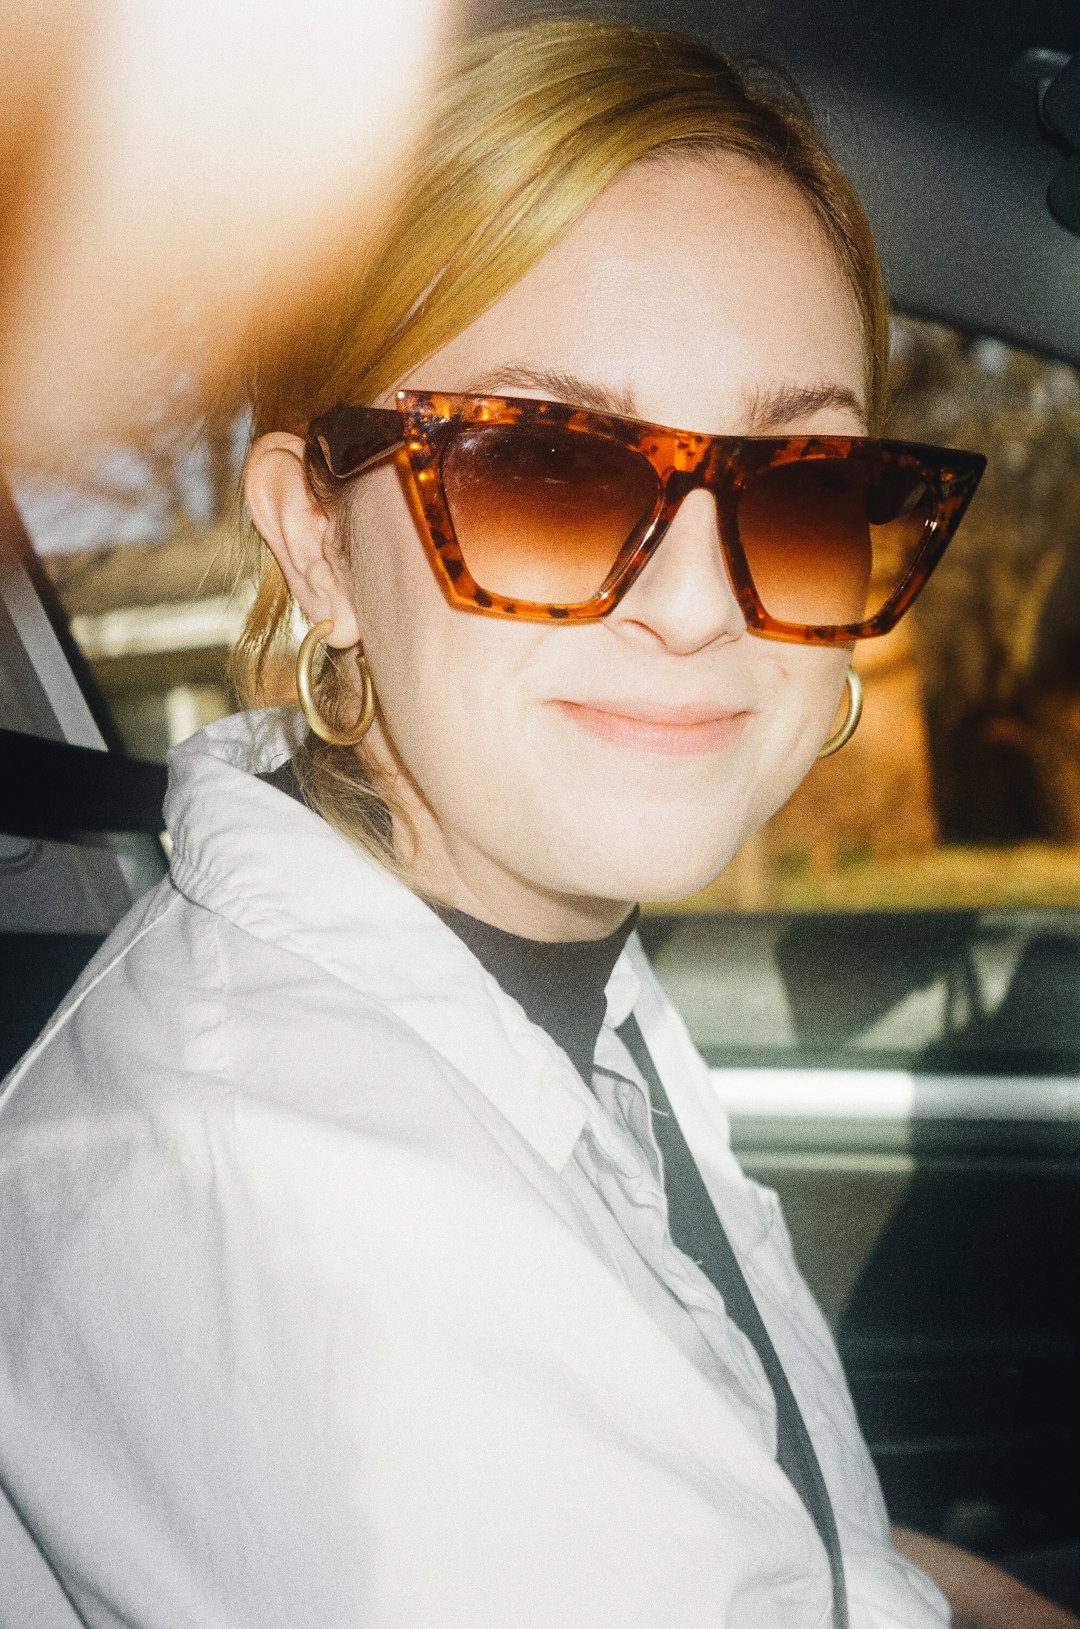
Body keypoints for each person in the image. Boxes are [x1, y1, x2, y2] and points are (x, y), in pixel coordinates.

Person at [4, 16, 1067, 1629]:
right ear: (318, 545)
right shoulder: (296, 1213)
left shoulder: (521, 966)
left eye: (795, 490)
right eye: (546, 473)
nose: (705, 606)